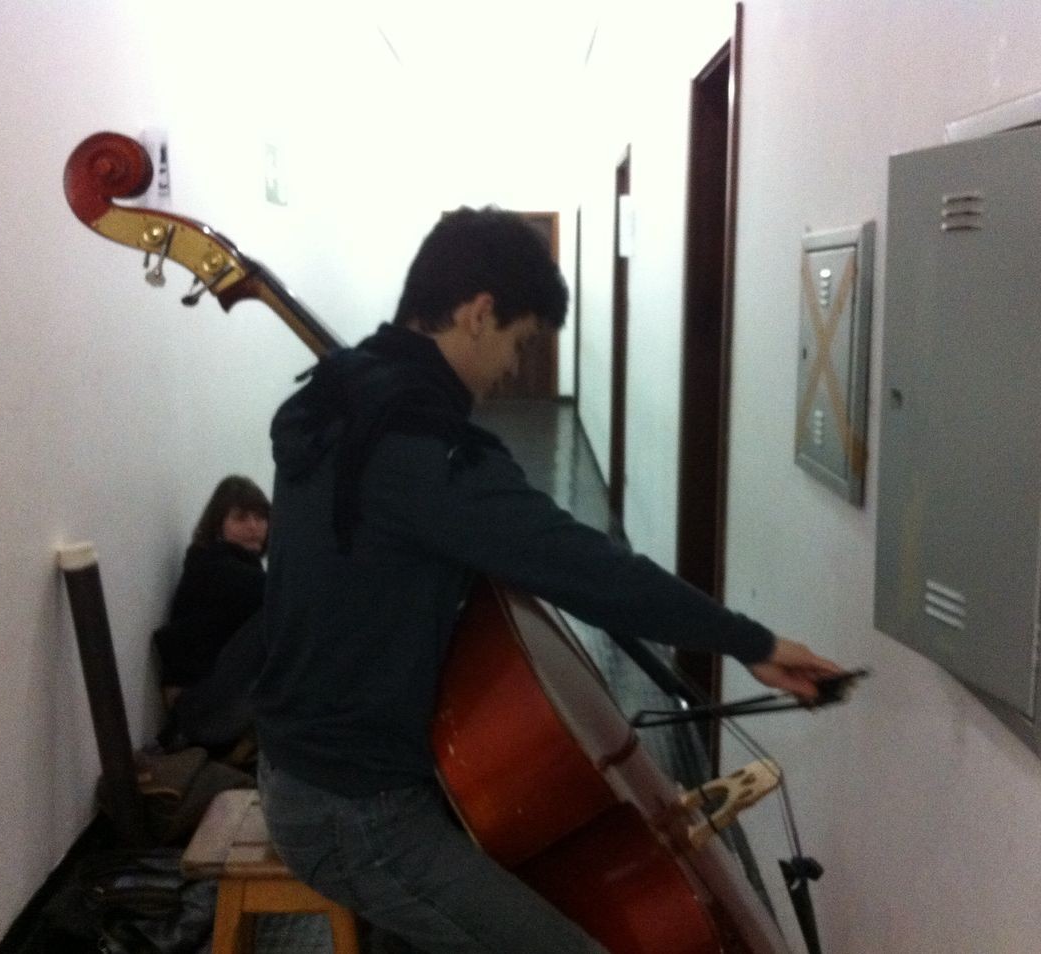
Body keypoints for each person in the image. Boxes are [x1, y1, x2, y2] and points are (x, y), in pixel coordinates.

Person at [251, 207, 842, 954]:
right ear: (477, 313)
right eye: (519, 342)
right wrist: (749, 641)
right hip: (356, 812)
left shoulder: (340, 396)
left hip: (311, 764)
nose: (510, 370)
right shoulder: (423, 447)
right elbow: (586, 568)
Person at [154, 475, 269, 750]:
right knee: (281, 618)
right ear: (218, 526)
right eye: (241, 518)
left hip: (207, 708)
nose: (253, 526)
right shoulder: (215, 568)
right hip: (200, 716)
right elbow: (290, 599)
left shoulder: (236, 569)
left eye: (260, 517)